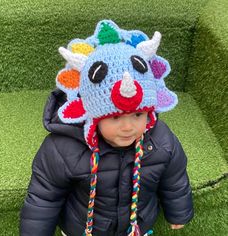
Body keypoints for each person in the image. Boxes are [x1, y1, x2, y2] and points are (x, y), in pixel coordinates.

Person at [20, 20, 194, 236]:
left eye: (138, 114)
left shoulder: (161, 141)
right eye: (115, 117)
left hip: (136, 228)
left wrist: (179, 212)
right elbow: (44, 196)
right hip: (82, 229)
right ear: (93, 115)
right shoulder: (62, 149)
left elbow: (174, 179)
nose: (128, 127)